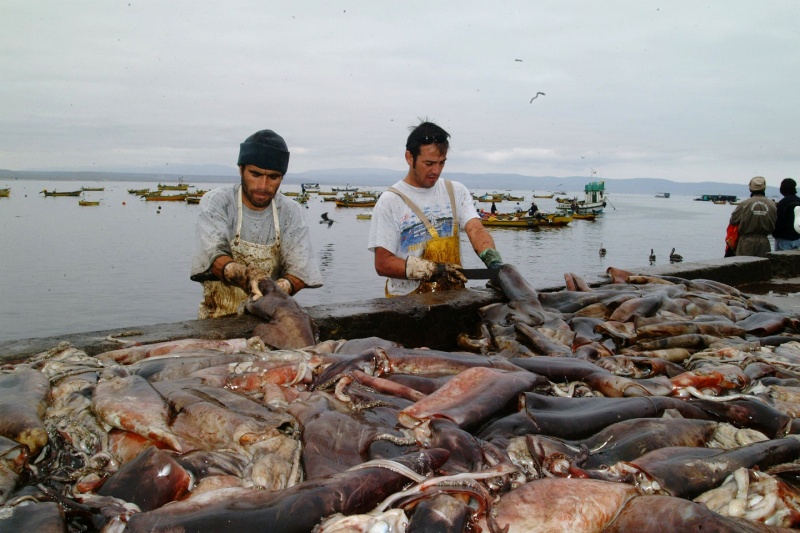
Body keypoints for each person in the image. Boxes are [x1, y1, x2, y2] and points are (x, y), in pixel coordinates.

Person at [190, 129, 323, 318]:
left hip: (269, 317)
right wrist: (247, 277)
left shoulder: (291, 212)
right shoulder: (217, 203)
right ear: (241, 169)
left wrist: (273, 290)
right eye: (255, 174)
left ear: (282, 177)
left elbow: (300, 272)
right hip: (216, 317)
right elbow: (214, 257)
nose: (263, 185)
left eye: (273, 177)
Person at [368, 120, 503, 296]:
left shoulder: (455, 191)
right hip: (406, 304)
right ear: (409, 158)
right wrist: (432, 270)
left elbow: (475, 228)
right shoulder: (391, 201)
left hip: (452, 297)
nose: (436, 171)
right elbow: (383, 264)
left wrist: (494, 264)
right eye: (429, 163)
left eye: (441, 163)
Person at [729, 176, 777, 257]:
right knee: (762, 266)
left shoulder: (744, 204)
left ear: (750, 189)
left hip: (746, 242)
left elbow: (733, 221)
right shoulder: (772, 205)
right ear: (764, 188)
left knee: (744, 266)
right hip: (764, 242)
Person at [772, 178, 800, 251]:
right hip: (798, 237)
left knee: (781, 261)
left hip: (783, 238)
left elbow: (778, 220)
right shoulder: (799, 201)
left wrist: (775, 234)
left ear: (782, 189)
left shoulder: (782, 203)